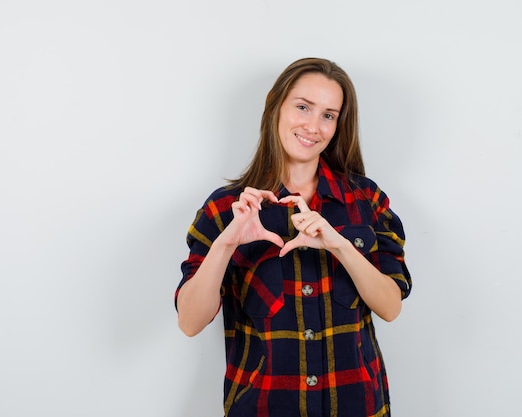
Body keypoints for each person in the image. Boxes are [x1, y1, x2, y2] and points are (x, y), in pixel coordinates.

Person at [175, 57, 412, 417]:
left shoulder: (366, 201)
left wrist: (339, 244)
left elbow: (390, 307)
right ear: (276, 103)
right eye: (303, 107)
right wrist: (226, 244)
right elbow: (190, 322)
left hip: (357, 405)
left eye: (328, 115)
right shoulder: (226, 209)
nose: (313, 126)